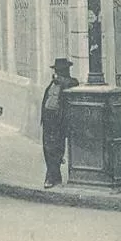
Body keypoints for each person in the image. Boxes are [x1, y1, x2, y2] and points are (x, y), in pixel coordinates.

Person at [41, 58, 79, 188]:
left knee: (55, 149)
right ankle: (54, 176)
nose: (57, 72)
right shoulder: (53, 83)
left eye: (59, 70)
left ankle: (51, 177)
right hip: (48, 120)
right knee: (47, 148)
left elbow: (73, 84)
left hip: (59, 121)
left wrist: (60, 80)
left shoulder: (70, 82)